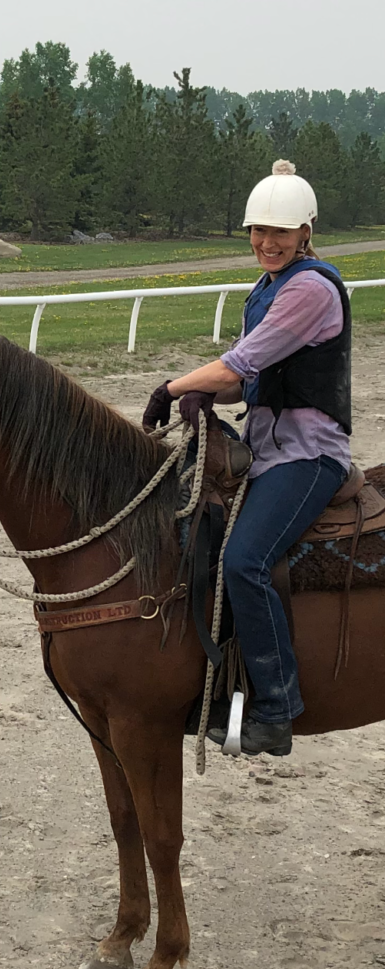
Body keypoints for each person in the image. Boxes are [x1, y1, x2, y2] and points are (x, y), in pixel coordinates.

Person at [142, 160, 352, 756]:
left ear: (306, 232)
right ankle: (218, 691)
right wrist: (204, 391)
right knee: (191, 538)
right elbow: (243, 381)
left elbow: (238, 365)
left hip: (307, 457)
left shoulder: (310, 288)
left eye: (280, 232)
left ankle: (279, 709)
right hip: (263, 450)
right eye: (258, 230)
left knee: (244, 561)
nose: (266, 242)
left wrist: (176, 387)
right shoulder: (267, 288)